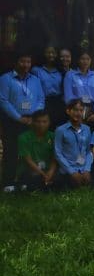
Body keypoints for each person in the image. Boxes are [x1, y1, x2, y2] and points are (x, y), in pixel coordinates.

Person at [0, 52, 45, 191]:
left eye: (28, 62)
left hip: (31, 121)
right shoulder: (5, 79)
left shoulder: (35, 80)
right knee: (11, 151)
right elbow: (3, 100)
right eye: (22, 61)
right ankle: (8, 182)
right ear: (16, 62)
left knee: (28, 152)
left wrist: (33, 117)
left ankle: (25, 181)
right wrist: (18, 117)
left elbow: (41, 99)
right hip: (12, 121)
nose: (25, 65)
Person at [54, 99, 93, 188]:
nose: (78, 113)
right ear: (68, 111)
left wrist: (87, 169)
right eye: (75, 110)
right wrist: (72, 172)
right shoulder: (60, 130)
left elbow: (89, 151)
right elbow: (57, 153)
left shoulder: (87, 129)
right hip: (67, 170)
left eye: (81, 110)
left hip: (83, 168)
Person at [17, 110, 58, 191]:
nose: (41, 125)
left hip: (48, 170)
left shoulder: (53, 136)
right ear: (32, 122)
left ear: (49, 123)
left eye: (44, 122)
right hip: (31, 170)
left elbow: (55, 157)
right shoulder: (23, 137)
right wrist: (43, 174)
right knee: (33, 177)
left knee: (60, 177)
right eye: (38, 122)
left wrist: (51, 172)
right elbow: (28, 160)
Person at [63, 51, 94, 125]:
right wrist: (77, 111)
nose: (85, 61)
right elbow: (68, 96)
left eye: (88, 59)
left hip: (92, 110)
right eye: (83, 59)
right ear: (78, 60)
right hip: (76, 109)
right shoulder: (70, 75)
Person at [32, 46, 66, 127]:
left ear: (56, 55)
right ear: (43, 54)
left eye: (53, 53)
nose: (51, 55)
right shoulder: (36, 70)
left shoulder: (60, 70)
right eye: (48, 52)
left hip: (58, 102)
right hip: (43, 102)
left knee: (58, 126)